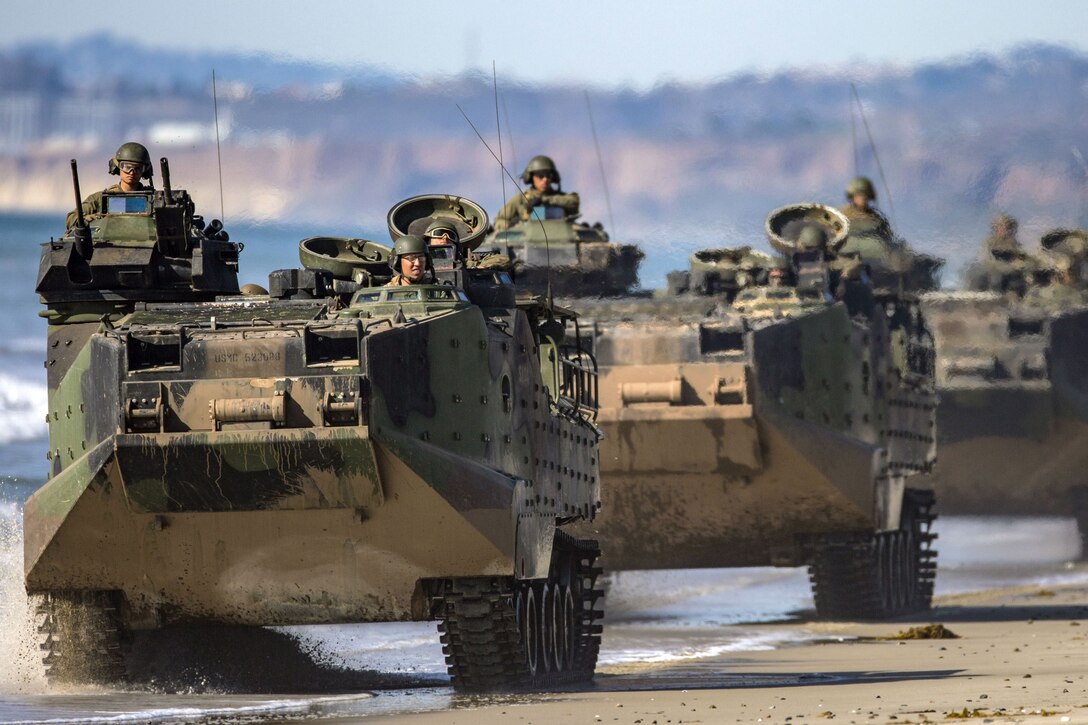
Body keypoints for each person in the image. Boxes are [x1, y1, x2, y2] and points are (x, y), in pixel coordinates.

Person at [66, 142, 153, 229]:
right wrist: (87, 219)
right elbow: (72, 218)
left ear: (145, 171)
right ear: (117, 167)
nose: (131, 172)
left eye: (138, 168)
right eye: (126, 167)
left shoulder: (153, 199)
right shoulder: (100, 199)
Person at [492, 155, 580, 231]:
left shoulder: (561, 198)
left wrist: (544, 200)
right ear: (530, 177)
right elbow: (498, 221)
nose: (545, 180)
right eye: (540, 176)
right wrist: (512, 225)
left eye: (548, 176)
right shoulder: (520, 200)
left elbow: (574, 202)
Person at [839, 176, 893, 241]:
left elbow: (887, 240)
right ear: (852, 196)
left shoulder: (876, 218)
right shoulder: (843, 214)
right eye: (859, 194)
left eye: (866, 194)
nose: (863, 197)